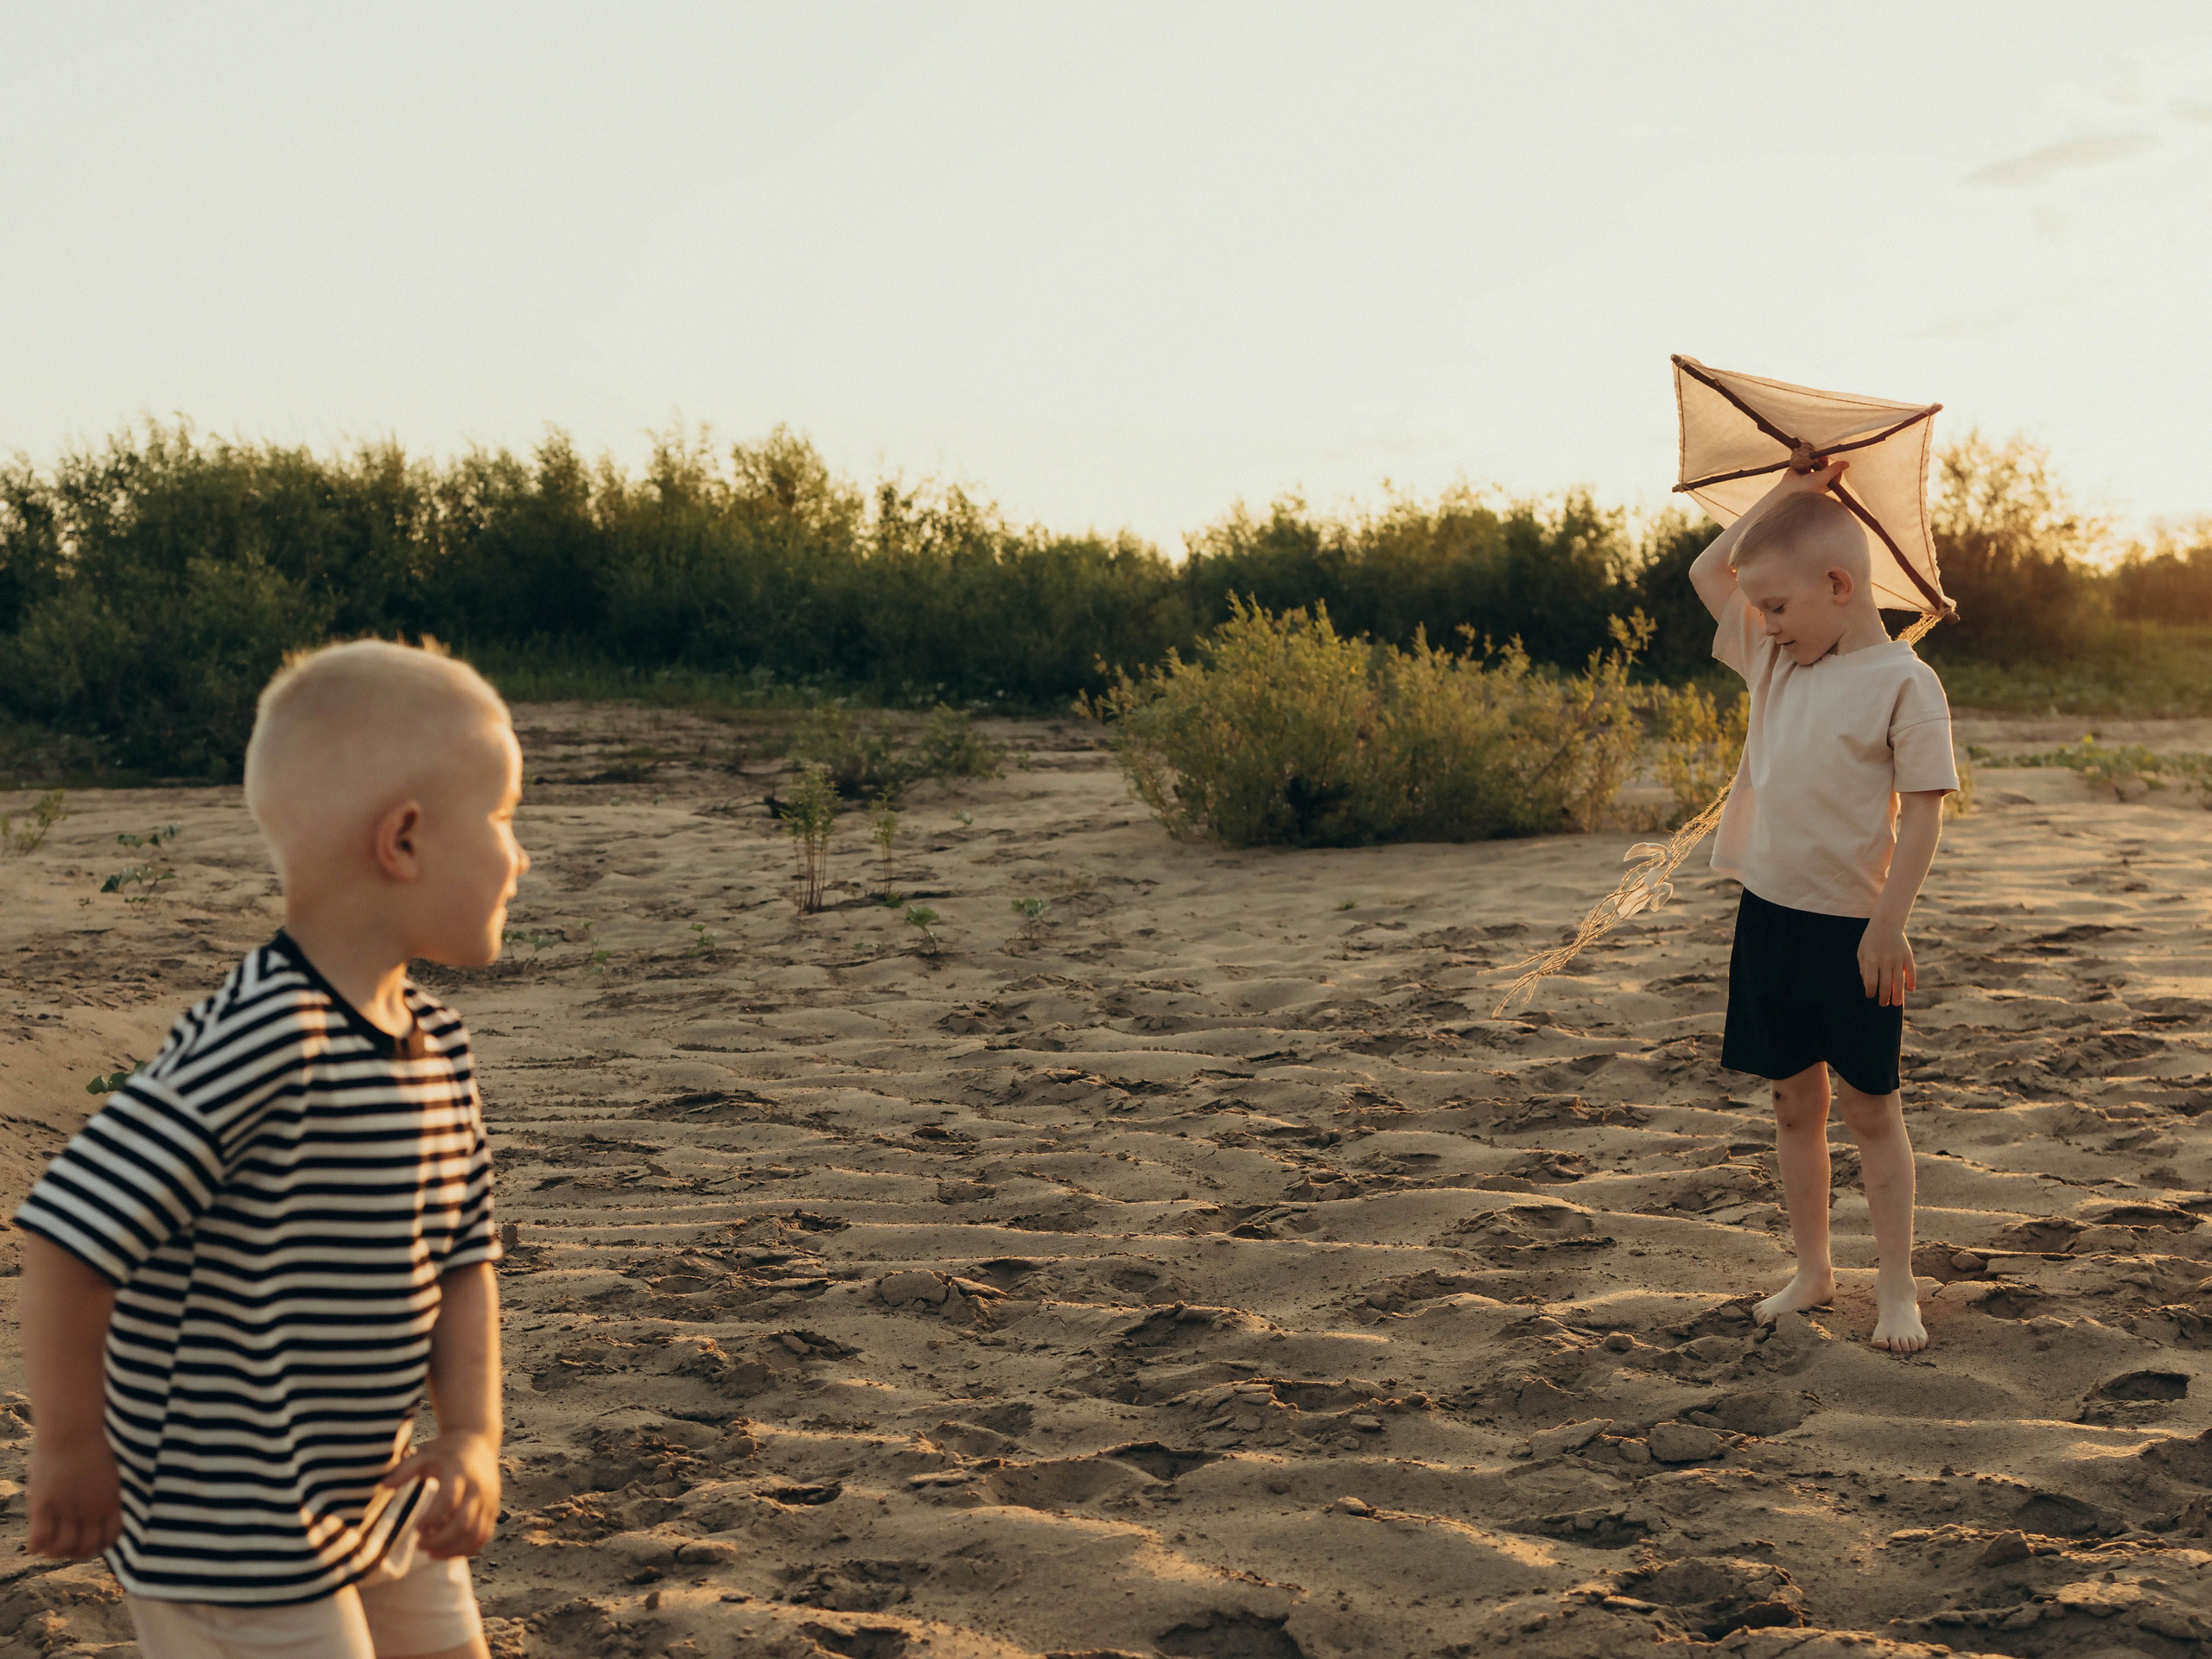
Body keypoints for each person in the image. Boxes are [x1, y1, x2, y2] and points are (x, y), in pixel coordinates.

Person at [16, 639, 529, 1659]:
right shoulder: (264, 1040)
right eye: (506, 820)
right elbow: (67, 1236)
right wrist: (72, 1448)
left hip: (373, 1490)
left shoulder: (440, 1045)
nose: (518, 857)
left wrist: (472, 1436)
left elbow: (465, 1263)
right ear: (406, 840)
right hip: (226, 1524)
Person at [1688, 461, 1956, 1354]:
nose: (1760, 621)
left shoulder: (1904, 684)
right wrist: (1787, 493)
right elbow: (1707, 574)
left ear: (1838, 586)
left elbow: (1922, 811)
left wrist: (1889, 922)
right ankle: (1813, 1270)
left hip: (1858, 934)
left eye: (1775, 605)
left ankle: (1896, 1288)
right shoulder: (1777, 663)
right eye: (1759, 609)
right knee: (1792, 1105)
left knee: (1871, 1107)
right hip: (1769, 919)